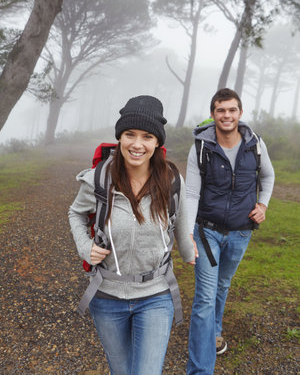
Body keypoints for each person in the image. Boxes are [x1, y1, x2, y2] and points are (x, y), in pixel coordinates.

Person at [68, 95, 195, 375]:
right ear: (120, 137)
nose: (137, 144)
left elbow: (181, 222)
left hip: (156, 294)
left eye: (147, 136)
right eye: (130, 134)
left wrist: (188, 252)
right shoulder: (98, 179)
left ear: (157, 143)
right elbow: (75, 213)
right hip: (107, 295)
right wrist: (84, 246)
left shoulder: (172, 180)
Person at [186, 88, 275, 375]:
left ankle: (215, 330)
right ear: (213, 114)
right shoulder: (200, 146)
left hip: (240, 232)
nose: (227, 115)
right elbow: (190, 193)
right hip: (207, 231)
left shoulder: (255, 144)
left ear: (240, 112)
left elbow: (268, 176)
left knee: (222, 286)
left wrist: (262, 204)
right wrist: (187, 232)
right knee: (204, 296)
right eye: (221, 110)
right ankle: (201, 368)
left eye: (232, 110)